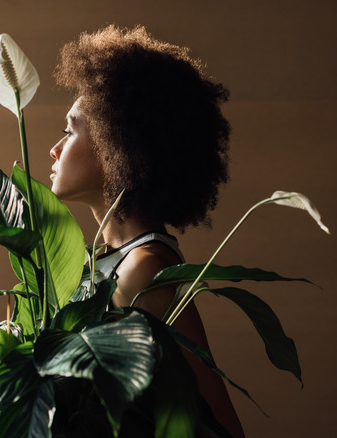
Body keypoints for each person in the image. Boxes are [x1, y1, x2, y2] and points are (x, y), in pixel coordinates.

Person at [50, 25, 244, 438]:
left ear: (115, 143)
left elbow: (216, 422)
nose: (55, 148)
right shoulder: (105, 260)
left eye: (69, 130)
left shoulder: (145, 269)